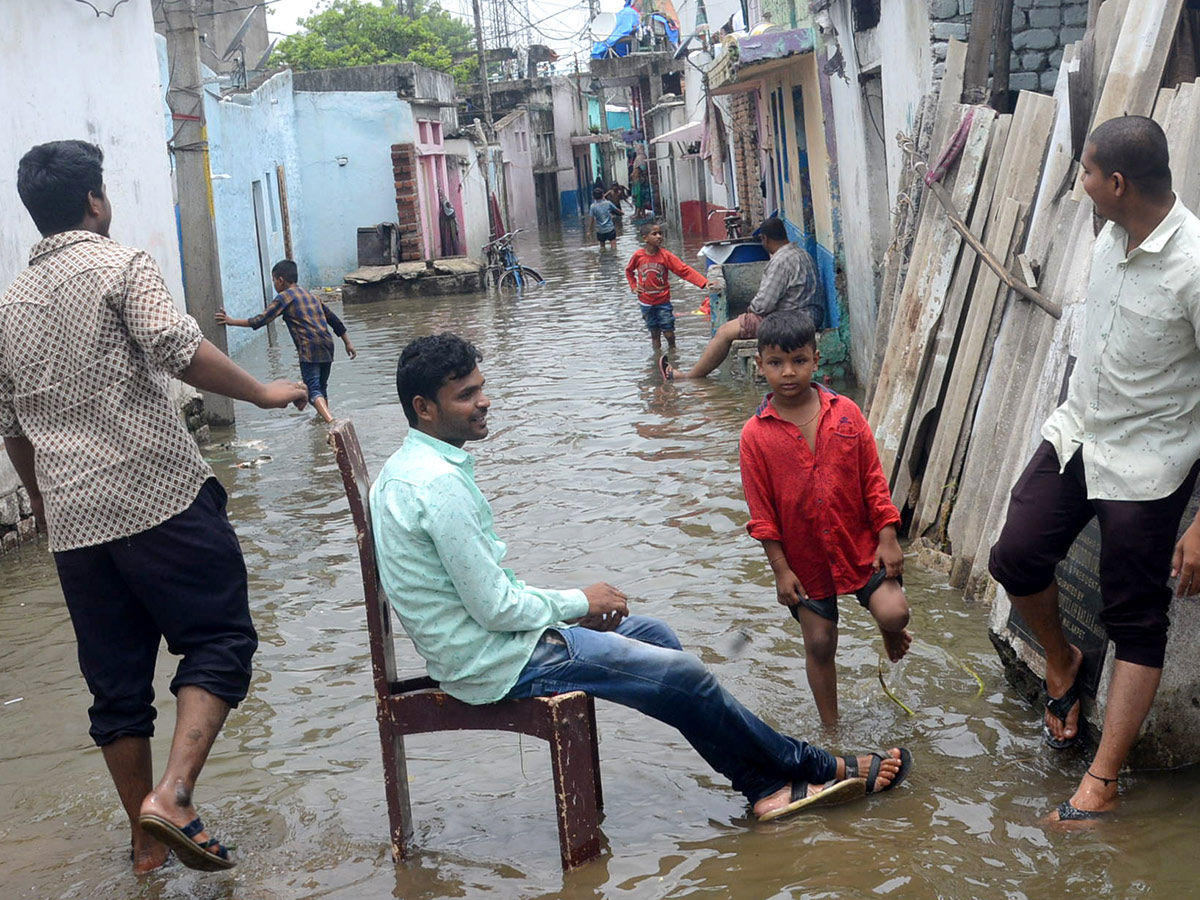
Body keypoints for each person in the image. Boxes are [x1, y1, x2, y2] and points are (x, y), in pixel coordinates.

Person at [369, 332, 913, 826]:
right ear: (424, 408)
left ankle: (764, 785)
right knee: (686, 677)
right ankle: (812, 764)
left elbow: (490, 591)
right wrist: (580, 601)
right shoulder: (438, 487)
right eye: (466, 395)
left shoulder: (414, 470)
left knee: (659, 640)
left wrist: (572, 607)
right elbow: (494, 609)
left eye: (480, 388)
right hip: (494, 660)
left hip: (492, 640)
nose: (483, 401)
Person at [0, 140, 309, 873]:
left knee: (115, 688)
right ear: (95, 202)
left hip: (75, 526)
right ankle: (172, 795)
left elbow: (10, 424)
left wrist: (45, 502)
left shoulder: (7, 305)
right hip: (158, 494)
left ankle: (144, 849)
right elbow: (177, 347)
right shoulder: (120, 264)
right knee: (220, 640)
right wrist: (265, 391)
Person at [987, 116, 1200, 822]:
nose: (1078, 184)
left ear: (1117, 182)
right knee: (1015, 556)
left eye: (1085, 171)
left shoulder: (1194, 265)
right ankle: (1062, 660)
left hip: (1151, 461)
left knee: (1135, 616)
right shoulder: (1110, 235)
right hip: (1080, 434)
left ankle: (1102, 785)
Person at [739, 312, 911, 726]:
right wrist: (781, 571)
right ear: (759, 365)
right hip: (805, 559)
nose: (788, 372)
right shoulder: (754, 436)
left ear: (816, 360)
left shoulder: (846, 412)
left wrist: (887, 536)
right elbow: (761, 514)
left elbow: (873, 480)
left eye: (798, 360)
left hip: (859, 544)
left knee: (895, 613)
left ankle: (891, 634)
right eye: (776, 363)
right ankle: (831, 731)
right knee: (819, 644)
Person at [664, 217, 821, 381]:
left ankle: (690, 377)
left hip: (790, 319)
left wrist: (748, 312)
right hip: (811, 315)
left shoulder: (780, 261)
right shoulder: (802, 254)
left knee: (724, 332)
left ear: (764, 239)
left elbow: (762, 306)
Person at [216, 259, 356, 424]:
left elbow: (261, 320)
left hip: (309, 348)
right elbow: (334, 321)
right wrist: (348, 343)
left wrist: (231, 321)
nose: (274, 284)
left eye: (274, 280)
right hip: (327, 345)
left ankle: (332, 422)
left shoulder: (284, 297)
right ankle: (323, 420)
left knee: (313, 389)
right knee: (321, 387)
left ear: (280, 280)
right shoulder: (311, 296)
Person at [625, 223, 711, 354]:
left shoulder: (665, 256)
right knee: (654, 333)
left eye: (660, 233)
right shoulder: (638, 256)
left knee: (668, 332)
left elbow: (683, 270)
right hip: (645, 302)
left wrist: (704, 283)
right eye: (654, 234)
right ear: (645, 238)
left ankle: (673, 352)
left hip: (662, 301)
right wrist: (633, 286)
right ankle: (658, 356)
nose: (659, 236)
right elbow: (629, 271)